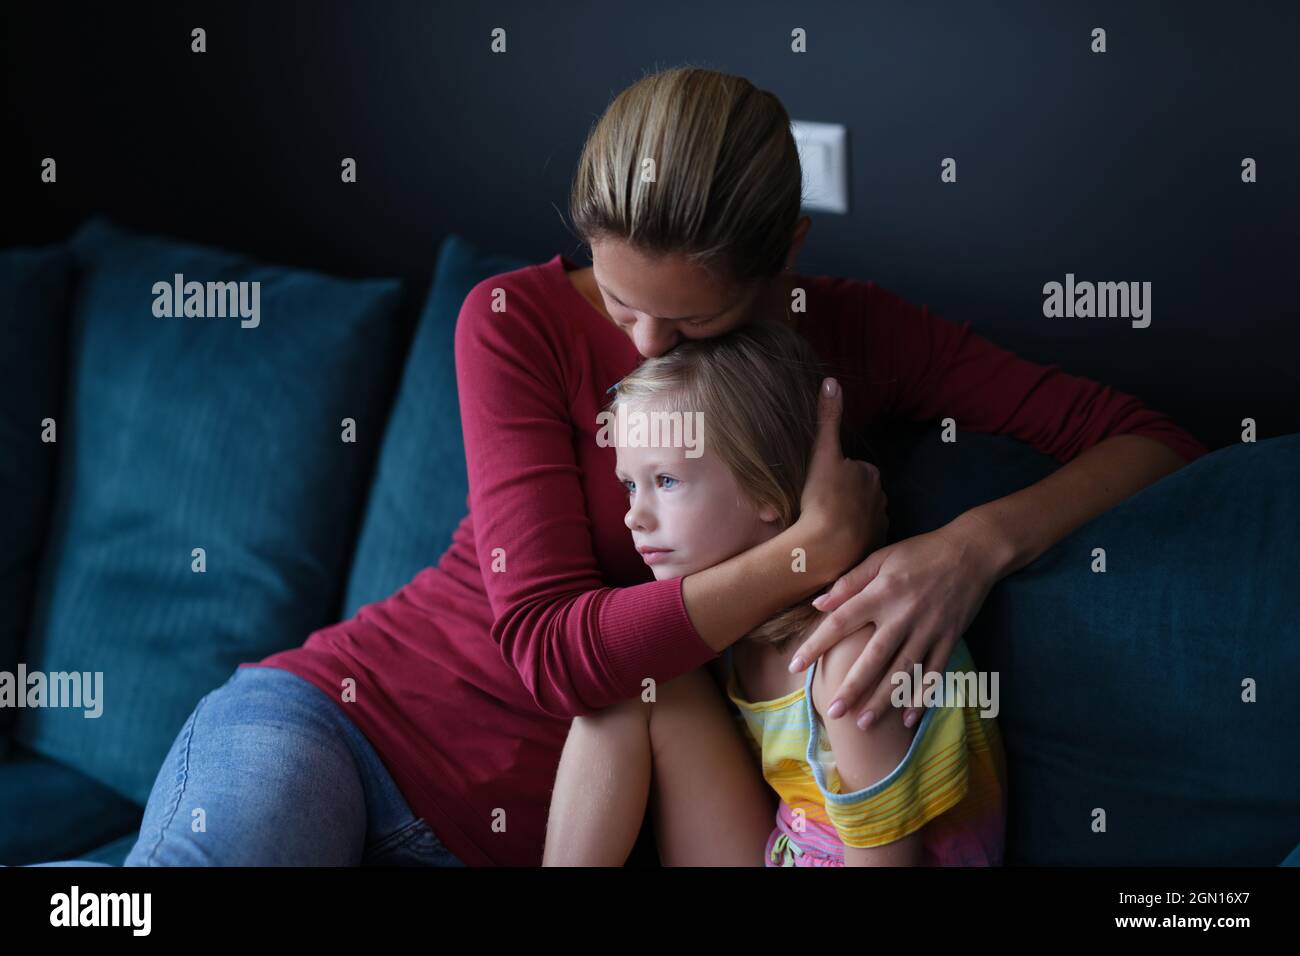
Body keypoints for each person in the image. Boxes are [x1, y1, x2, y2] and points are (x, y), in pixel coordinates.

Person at [59, 65, 1205, 866]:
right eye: (617, 302)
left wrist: (968, 548)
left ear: (784, 258)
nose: (640, 351)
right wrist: (810, 549)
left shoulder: (854, 334)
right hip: (348, 726)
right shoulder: (509, 321)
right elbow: (558, 655)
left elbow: (1154, 439)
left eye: (691, 327)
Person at [543, 319, 1007, 867]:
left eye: (665, 481)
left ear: (766, 486)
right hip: (784, 851)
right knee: (632, 684)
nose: (633, 516)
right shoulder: (739, 636)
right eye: (629, 484)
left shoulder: (851, 656)